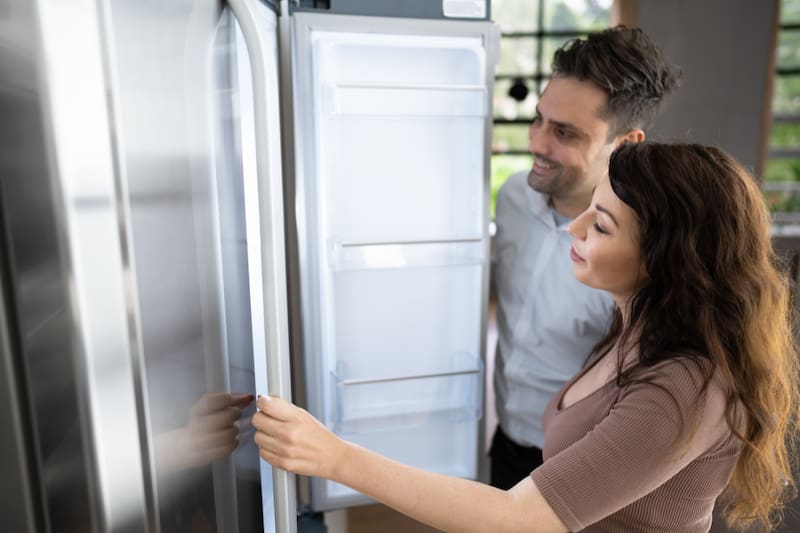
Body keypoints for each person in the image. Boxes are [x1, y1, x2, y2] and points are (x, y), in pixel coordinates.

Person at [251, 142, 799, 532]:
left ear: (668, 261)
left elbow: (518, 520)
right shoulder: (636, 326)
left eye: (601, 225)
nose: (575, 227)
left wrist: (336, 459)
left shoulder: (682, 390)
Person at [490, 25, 681, 489]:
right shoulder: (514, 197)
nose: (537, 142)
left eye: (565, 133)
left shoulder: (648, 251)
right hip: (505, 442)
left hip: (582, 465)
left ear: (627, 143)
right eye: (538, 119)